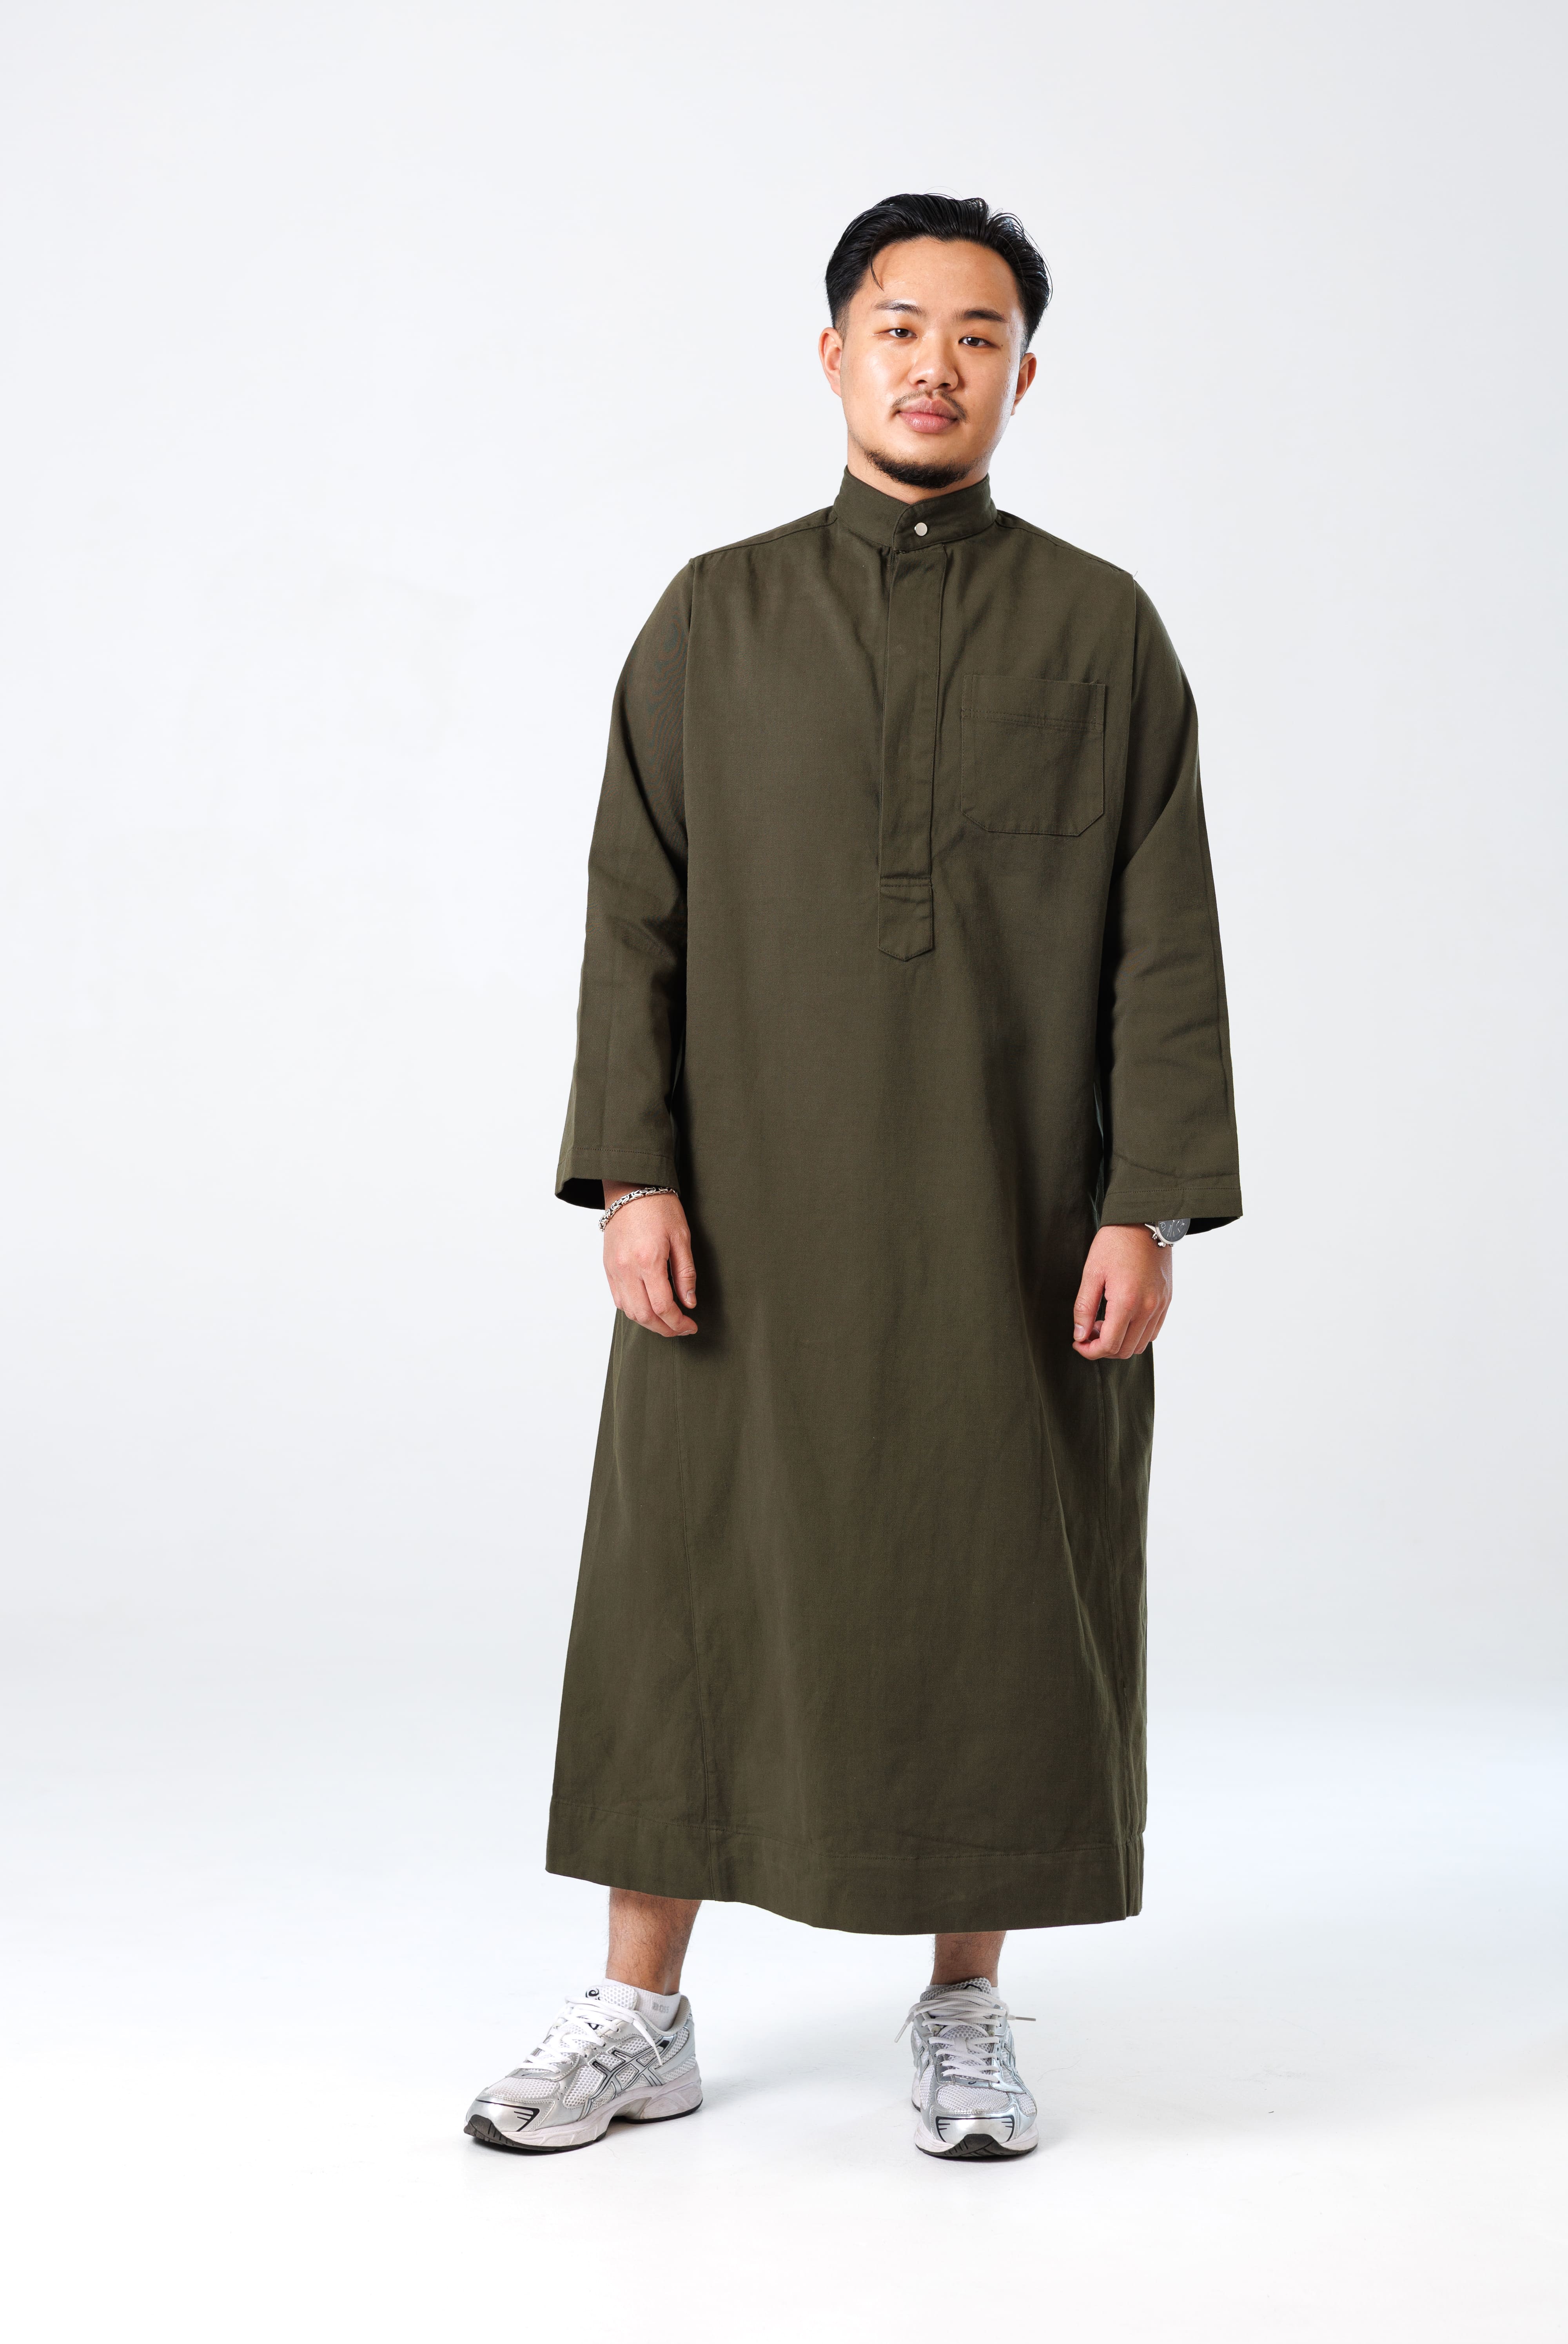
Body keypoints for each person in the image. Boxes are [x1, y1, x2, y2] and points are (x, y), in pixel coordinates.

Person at [466, 192, 1241, 2162]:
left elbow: (1165, 940)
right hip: (743, 1224)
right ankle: (639, 2010)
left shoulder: (1100, 631)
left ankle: (965, 2007)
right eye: (899, 327)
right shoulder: (711, 618)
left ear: (1024, 377)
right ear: (833, 356)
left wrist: (1146, 1201)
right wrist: (632, 1175)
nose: (934, 365)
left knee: (994, 1582)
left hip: (1009, 1221)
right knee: (687, 1583)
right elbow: (632, 915)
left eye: (978, 335)